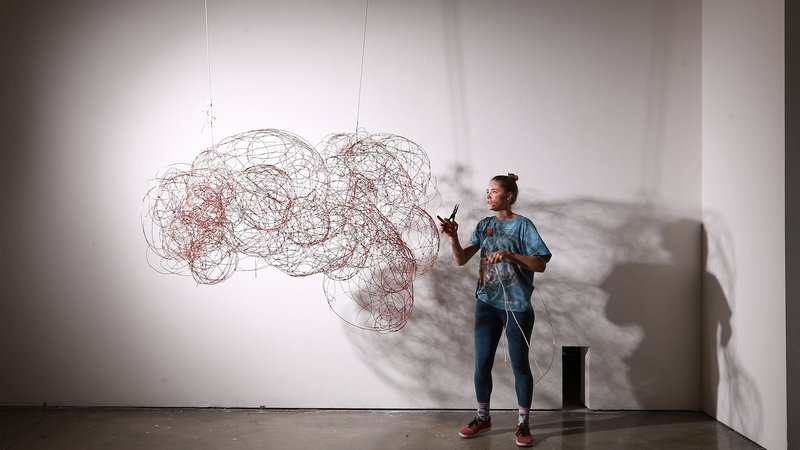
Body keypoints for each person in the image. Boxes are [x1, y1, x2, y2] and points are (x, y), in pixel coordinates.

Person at [439, 173, 551, 447]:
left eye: (493, 191)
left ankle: (523, 423)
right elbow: (461, 260)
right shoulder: (484, 224)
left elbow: (540, 264)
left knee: (519, 365)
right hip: (487, 303)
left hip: (517, 306)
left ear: (508, 196)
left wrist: (511, 255)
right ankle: (483, 417)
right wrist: (453, 237)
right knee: (482, 363)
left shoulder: (524, 226)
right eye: (486, 191)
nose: (487, 195)